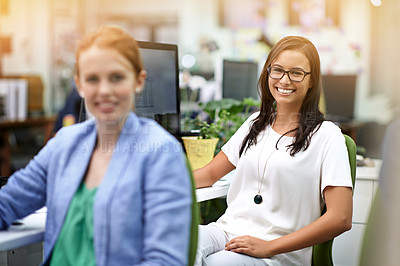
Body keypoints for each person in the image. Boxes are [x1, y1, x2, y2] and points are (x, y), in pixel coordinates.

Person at [0, 25, 192, 266]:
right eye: (92, 79)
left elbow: (165, 261)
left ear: (139, 81)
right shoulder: (65, 144)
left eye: (117, 77)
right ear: (79, 85)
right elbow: (8, 202)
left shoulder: (161, 154)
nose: (104, 91)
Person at [194, 36, 353, 265]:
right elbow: (209, 175)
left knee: (218, 263)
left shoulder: (327, 136)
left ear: (311, 80)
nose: (284, 80)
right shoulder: (255, 123)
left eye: (296, 73)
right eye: (277, 70)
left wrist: (269, 247)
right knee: (173, 245)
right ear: (268, 73)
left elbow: (341, 217)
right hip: (226, 231)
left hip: (278, 251)